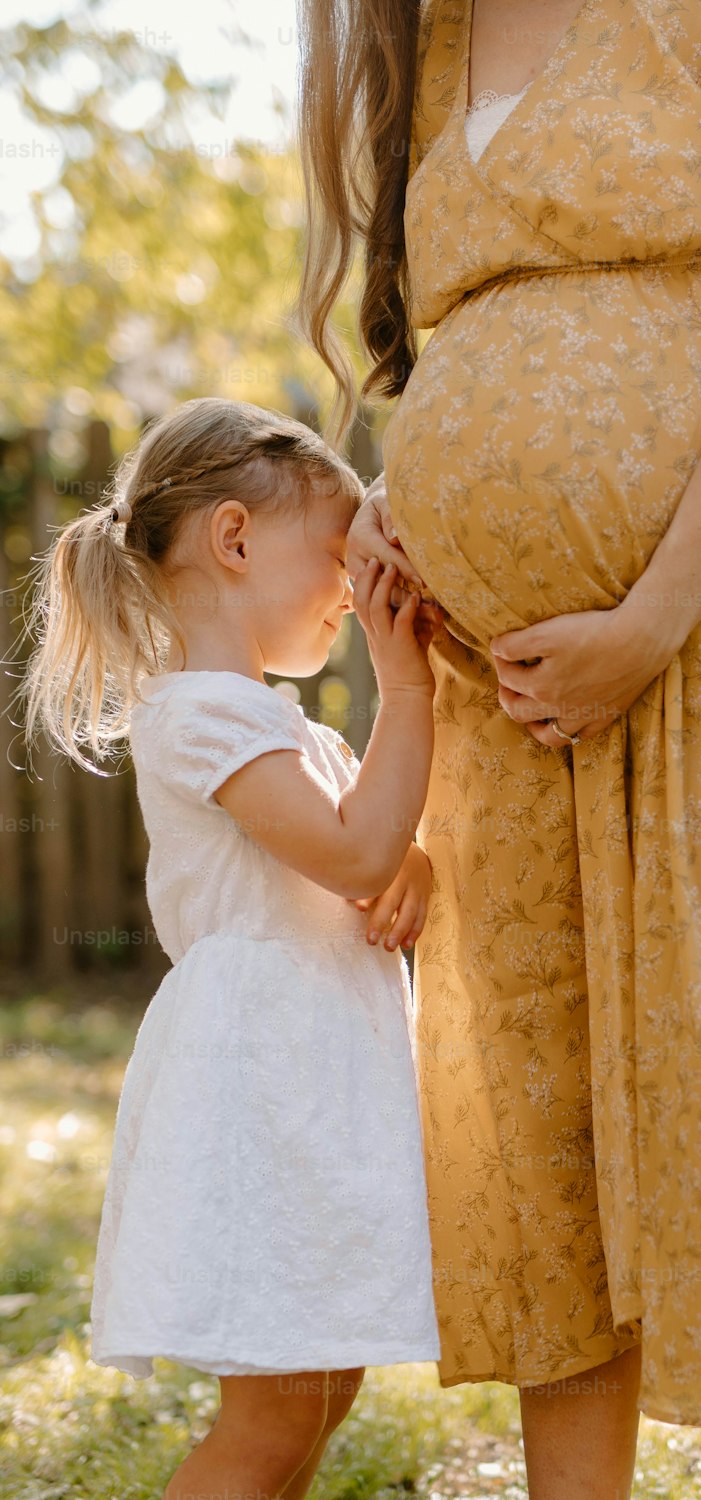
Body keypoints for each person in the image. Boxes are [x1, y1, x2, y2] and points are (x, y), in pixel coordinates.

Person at [296, 2, 701, 1496]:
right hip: (502, 698)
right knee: (546, 1156)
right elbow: (473, 338)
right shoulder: (435, 40)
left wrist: (650, 616)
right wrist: (411, 507)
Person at [19, 396, 445, 1500]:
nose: (355, 591)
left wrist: (419, 863)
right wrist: (408, 689)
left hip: (317, 1079)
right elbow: (354, 855)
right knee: (270, 1419)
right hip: (264, 1089)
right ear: (235, 537)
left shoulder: (283, 729)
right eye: (337, 557)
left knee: (318, 1395)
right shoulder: (205, 717)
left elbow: (372, 856)